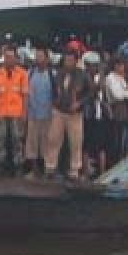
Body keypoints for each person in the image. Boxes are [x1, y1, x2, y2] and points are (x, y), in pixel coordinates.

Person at [48, 46, 89, 179]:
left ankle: (74, 169)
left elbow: (90, 93)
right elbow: (53, 90)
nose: (68, 63)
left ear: (76, 61)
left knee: (75, 142)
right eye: (66, 60)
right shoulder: (58, 74)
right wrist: (54, 102)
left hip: (75, 113)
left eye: (71, 60)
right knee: (54, 139)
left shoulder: (82, 75)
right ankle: (50, 167)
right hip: (59, 111)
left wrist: (79, 103)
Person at [0, 45, 28, 176]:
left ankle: (18, 167)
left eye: (11, 57)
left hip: (17, 113)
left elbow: (25, 95)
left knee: (17, 141)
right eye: (6, 57)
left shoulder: (22, 74)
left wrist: (24, 113)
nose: (9, 60)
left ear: (16, 59)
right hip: (0, 113)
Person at [24, 47, 55, 178]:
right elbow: (25, 94)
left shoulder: (53, 75)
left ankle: (47, 171)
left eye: (41, 56)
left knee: (47, 144)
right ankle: (34, 170)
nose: (38, 59)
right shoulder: (29, 73)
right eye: (36, 56)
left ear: (47, 59)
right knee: (32, 144)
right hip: (32, 114)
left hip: (48, 116)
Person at [104, 57, 128, 167]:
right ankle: (112, 164)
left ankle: (119, 162)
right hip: (114, 109)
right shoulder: (110, 78)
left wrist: (125, 93)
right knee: (114, 139)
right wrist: (125, 93)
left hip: (123, 110)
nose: (122, 67)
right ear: (115, 66)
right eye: (119, 65)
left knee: (122, 139)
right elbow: (117, 95)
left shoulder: (122, 78)